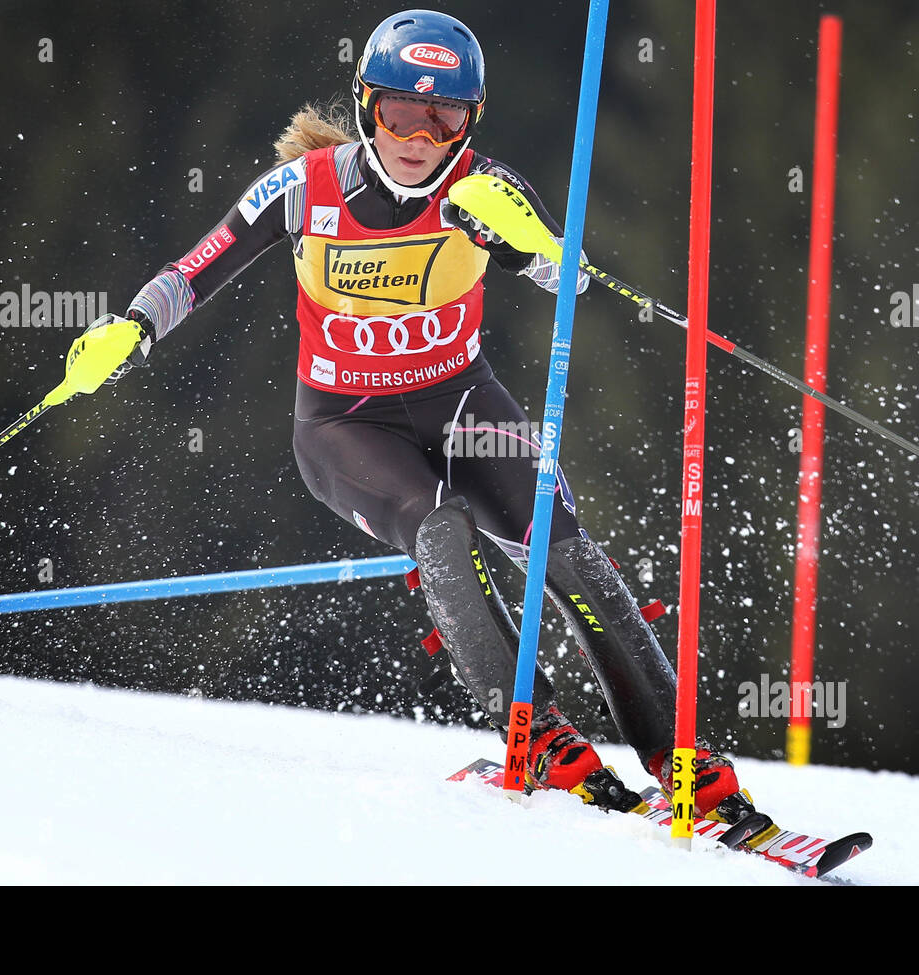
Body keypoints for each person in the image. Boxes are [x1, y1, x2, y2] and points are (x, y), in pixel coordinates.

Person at [93, 8, 752, 823]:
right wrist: (133, 324)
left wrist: (534, 242)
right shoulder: (309, 188)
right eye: (401, 111)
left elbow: (571, 282)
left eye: (444, 117)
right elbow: (199, 265)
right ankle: (536, 734)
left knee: (566, 546)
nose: (419, 136)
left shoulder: (486, 187)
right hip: (346, 425)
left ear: (468, 122)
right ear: (369, 106)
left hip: (461, 401)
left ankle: (680, 756)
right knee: (440, 528)